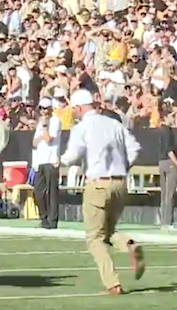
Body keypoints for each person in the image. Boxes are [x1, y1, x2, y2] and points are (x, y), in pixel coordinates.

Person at [60, 89, 145, 295]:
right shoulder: (114, 124)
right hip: (120, 183)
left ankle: (113, 284)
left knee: (94, 238)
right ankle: (129, 244)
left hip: (98, 184)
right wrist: (122, 167)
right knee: (107, 231)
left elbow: (73, 155)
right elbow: (135, 148)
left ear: (79, 108)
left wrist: (59, 161)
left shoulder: (82, 127)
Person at [32, 97, 62, 229]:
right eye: (41, 108)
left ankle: (52, 221)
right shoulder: (40, 123)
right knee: (38, 191)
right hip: (41, 161)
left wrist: (44, 126)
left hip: (51, 160)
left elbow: (49, 139)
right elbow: (34, 142)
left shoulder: (55, 121)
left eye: (45, 108)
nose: (43, 111)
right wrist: (43, 131)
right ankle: (43, 218)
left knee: (52, 193)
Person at [158, 112, 177, 230]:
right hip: (169, 163)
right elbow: (169, 150)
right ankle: (167, 222)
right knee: (169, 194)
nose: (173, 118)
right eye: (172, 116)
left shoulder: (160, 130)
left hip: (161, 162)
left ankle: (163, 222)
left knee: (164, 193)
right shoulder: (168, 131)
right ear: (165, 118)